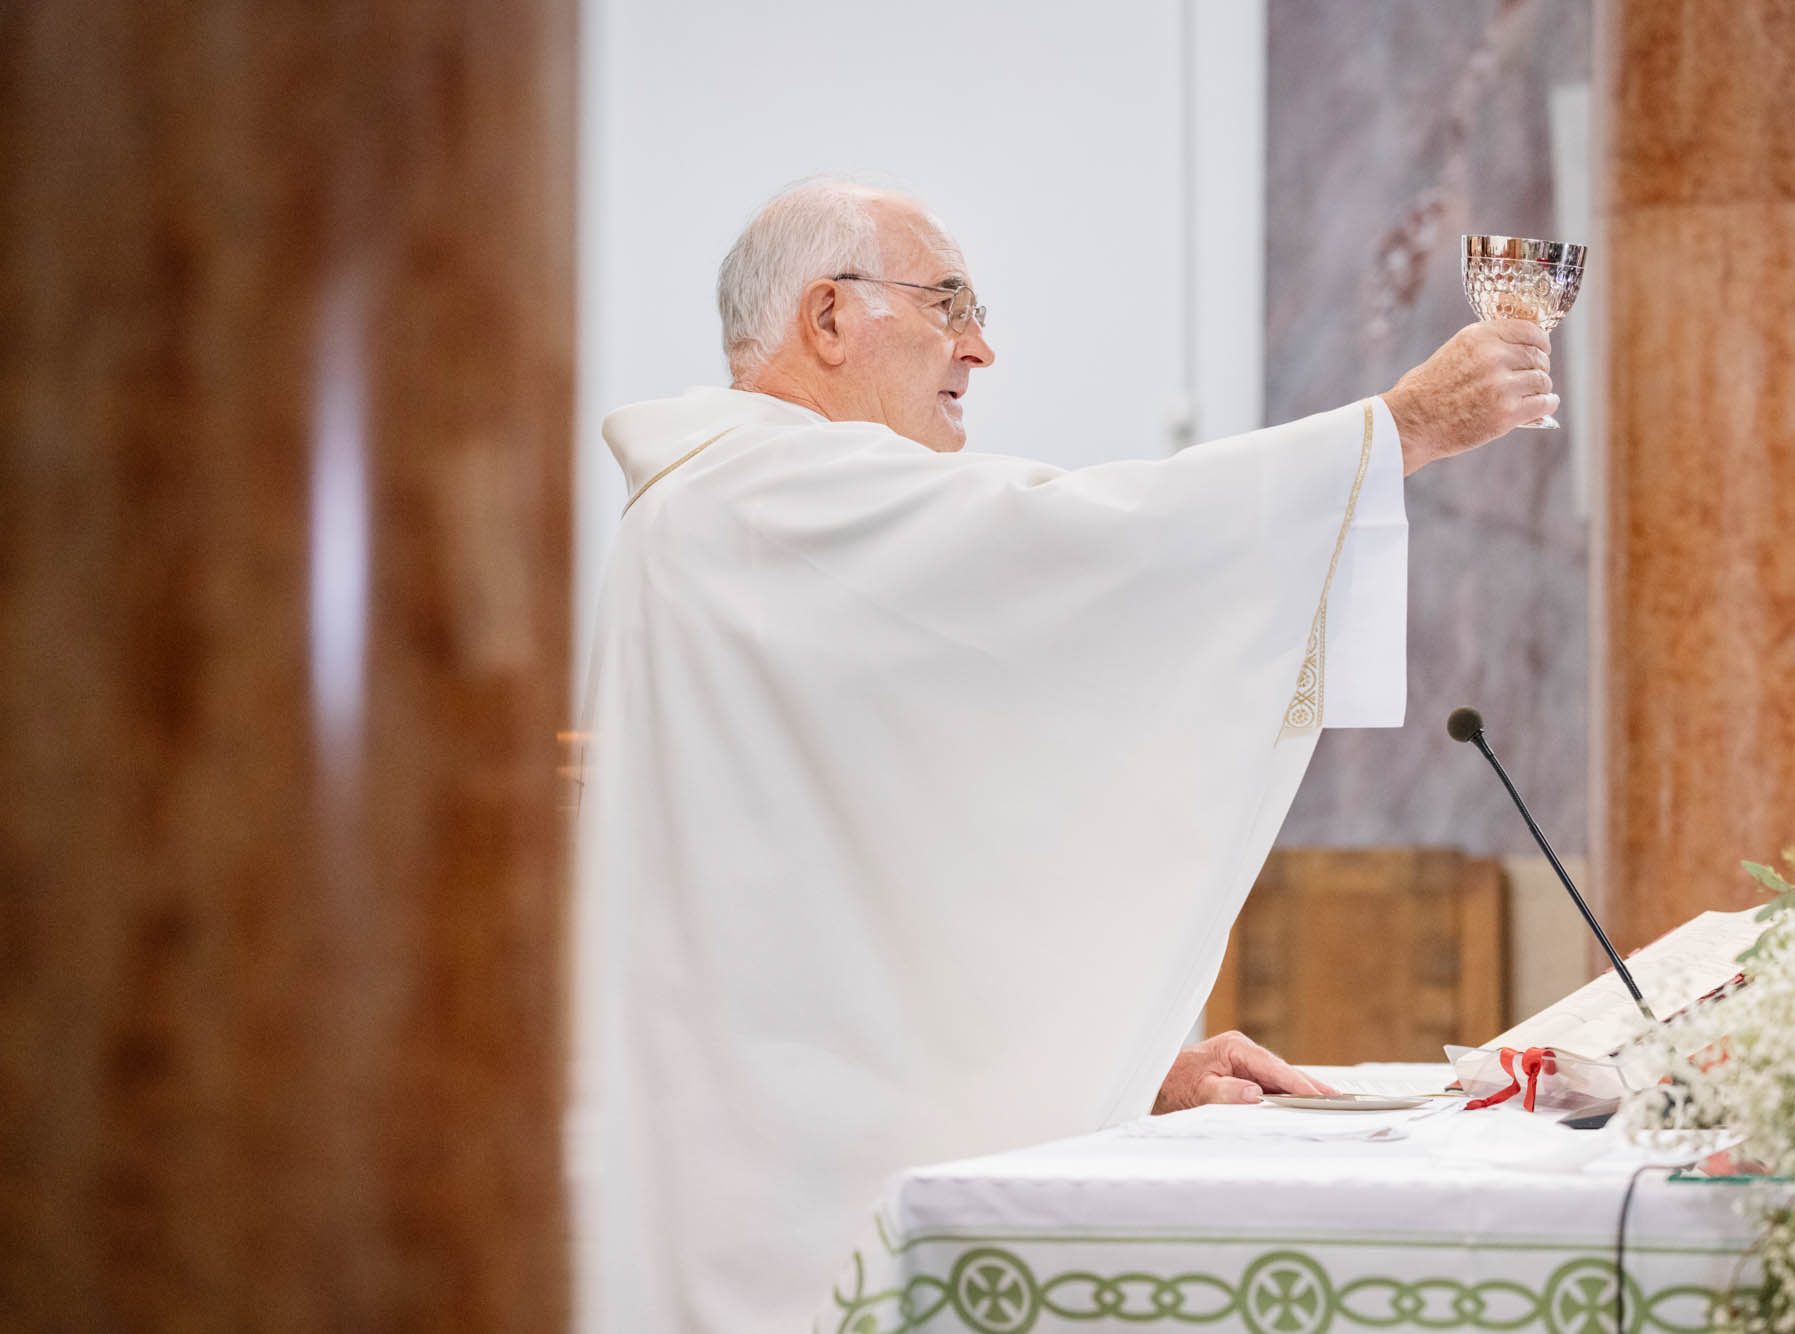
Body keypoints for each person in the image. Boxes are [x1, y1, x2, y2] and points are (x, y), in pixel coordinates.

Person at [570, 179, 1555, 1333]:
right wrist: (1400, 426)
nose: (978, 347)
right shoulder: (756, 497)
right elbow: (1086, 547)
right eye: (946, 302)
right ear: (827, 319)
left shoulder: (748, 512)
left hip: (793, 1149)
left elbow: (905, 871)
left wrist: (1130, 1055)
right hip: (782, 1196)